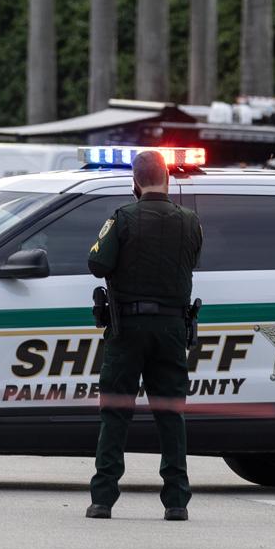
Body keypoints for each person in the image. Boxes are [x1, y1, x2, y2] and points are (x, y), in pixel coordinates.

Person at [84, 148, 204, 521]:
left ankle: (103, 499)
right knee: (171, 414)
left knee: (116, 412)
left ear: (134, 182)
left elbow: (97, 263)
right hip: (171, 329)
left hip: (128, 329)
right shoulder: (190, 221)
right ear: (166, 178)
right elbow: (193, 259)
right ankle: (177, 501)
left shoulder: (122, 218)